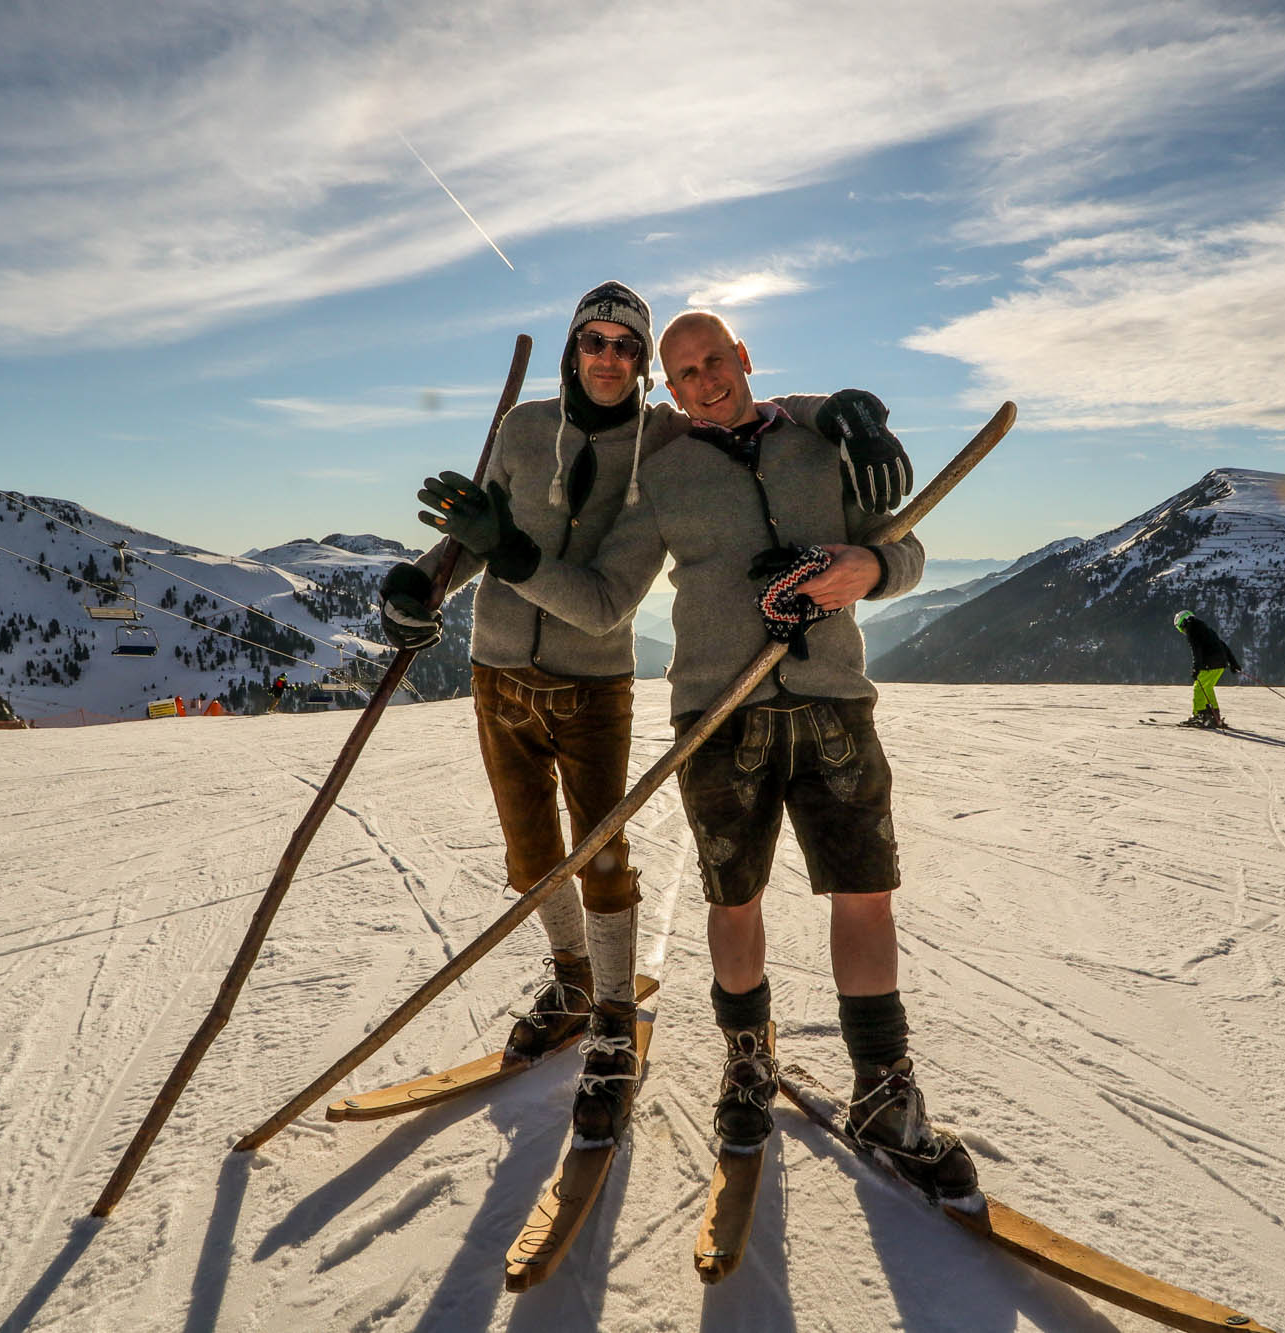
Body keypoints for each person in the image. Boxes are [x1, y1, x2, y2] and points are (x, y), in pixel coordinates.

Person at [418, 309, 976, 1203]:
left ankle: (882, 1087)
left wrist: (871, 570)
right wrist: (505, 556)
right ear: (664, 388)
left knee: (866, 896)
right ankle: (746, 1063)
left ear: (744, 356)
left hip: (834, 701)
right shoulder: (662, 468)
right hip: (719, 716)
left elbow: (902, 544)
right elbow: (603, 600)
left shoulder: (821, 443)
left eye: (715, 360)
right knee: (734, 900)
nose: (703, 380)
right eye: (682, 371)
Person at [1173, 609, 1240, 728]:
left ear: (1183, 623)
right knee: (1207, 688)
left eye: (1180, 628)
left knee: (1199, 688)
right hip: (1221, 664)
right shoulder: (1206, 629)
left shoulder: (1192, 631)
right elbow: (1222, 645)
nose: (1182, 631)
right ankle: (1214, 715)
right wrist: (1233, 663)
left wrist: (1196, 669)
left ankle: (1199, 715)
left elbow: (1196, 651)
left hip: (1210, 664)